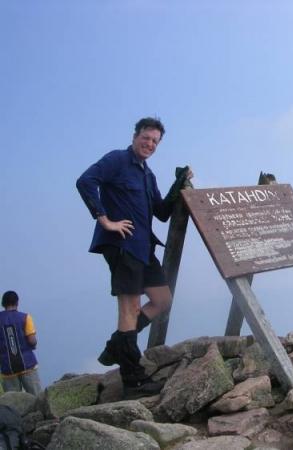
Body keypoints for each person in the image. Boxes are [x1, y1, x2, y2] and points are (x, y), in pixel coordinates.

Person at [76, 117, 192, 399]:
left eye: (155, 141)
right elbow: (85, 181)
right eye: (146, 138)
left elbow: (161, 211)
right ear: (135, 136)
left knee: (162, 300)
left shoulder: (147, 174)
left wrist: (181, 183)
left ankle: (118, 345)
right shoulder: (117, 160)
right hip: (122, 246)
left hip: (144, 247)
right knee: (129, 309)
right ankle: (133, 381)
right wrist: (105, 220)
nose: (149, 144)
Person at [0, 291, 42, 395]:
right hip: (28, 365)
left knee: (12, 404)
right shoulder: (25, 317)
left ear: (3, 303)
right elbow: (32, 340)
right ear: (17, 302)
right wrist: (34, 345)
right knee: (37, 398)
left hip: (7, 368)